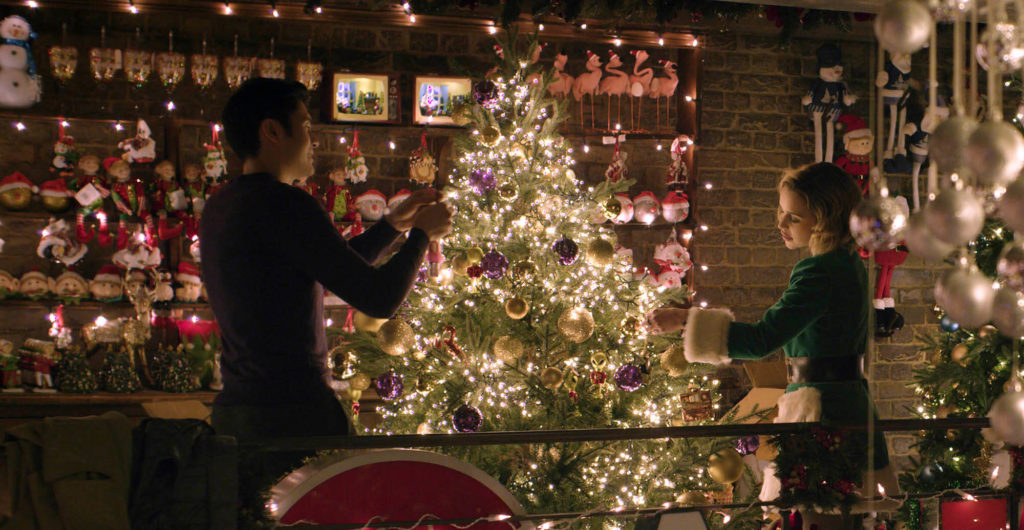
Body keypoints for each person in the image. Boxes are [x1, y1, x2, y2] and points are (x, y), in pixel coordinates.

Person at [201, 78, 452, 513]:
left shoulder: (224, 204)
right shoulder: (286, 203)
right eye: (306, 127)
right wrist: (422, 237)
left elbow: (331, 267)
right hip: (294, 420)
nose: (313, 142)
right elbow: (377, 298)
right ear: (272, 132)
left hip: (240, 412)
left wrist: (392, 226)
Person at [647, 162, 898, 524]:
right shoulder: (847, 264)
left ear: (825, 220)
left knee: (821, 516)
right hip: (848, 406)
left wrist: (686, 319)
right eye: (781, 211)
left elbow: (762, 339)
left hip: (824, 416)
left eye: (793, 217)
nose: (780, 224)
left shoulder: (819, 270)